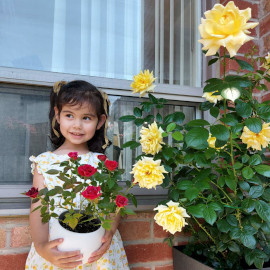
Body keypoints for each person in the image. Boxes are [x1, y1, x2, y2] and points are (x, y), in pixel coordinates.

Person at [25, 80, 129, 270]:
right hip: (59, 250)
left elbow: (114, 205)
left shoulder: (103, 163)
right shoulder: (45, 162)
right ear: (58, 115)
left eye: (86, 118)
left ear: (101, 121)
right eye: (69, 115)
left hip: (98, 252)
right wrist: (41, 247)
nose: (77, 125)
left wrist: (110, 232)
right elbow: (38, 209)